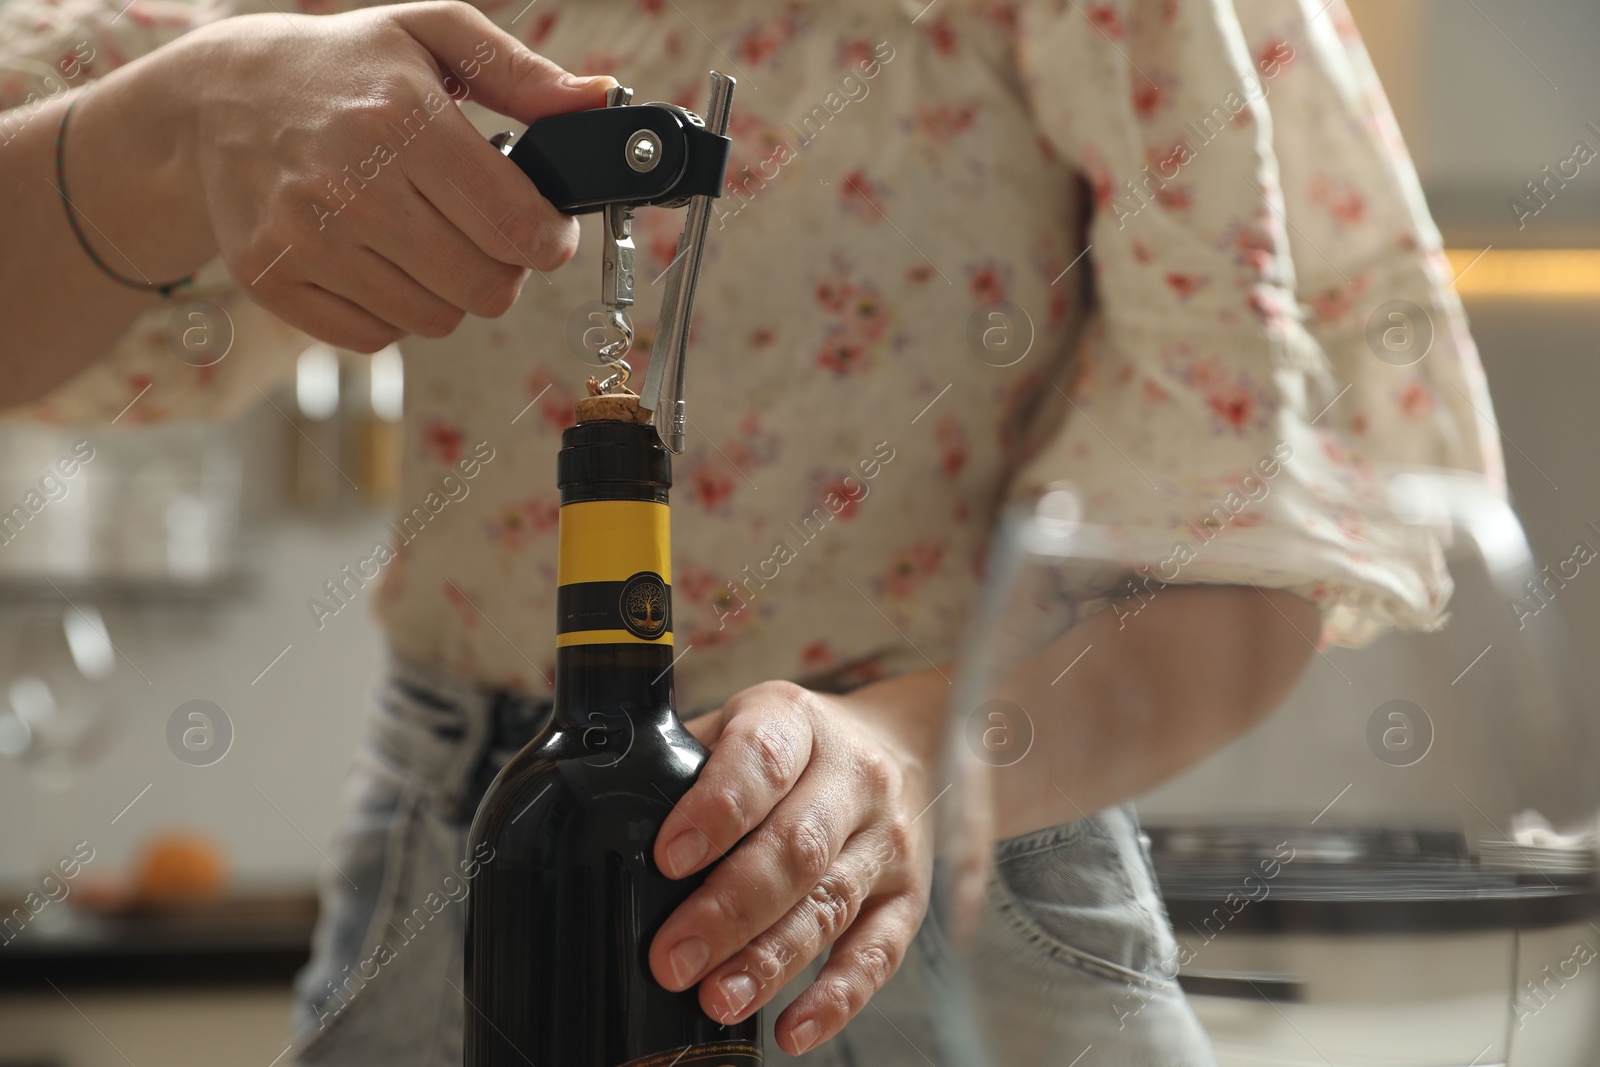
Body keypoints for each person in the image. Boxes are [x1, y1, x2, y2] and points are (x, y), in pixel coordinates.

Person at [0, 0, 1503, 1062]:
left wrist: (931, 758)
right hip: (471, 852)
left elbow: (1268, 546)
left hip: (952, 877)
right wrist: (175, 123)